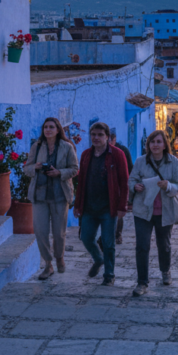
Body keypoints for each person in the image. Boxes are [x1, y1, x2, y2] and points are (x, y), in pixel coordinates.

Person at [128, 130, 178, 296]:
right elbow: (132, 180)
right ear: (148, 144)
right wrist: (135, 187)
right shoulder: (140, 161)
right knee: (142, 246)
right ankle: (142, 282)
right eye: (152, 142)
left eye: (159, 142)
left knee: (164, 245)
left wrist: (168, 186)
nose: (155, 145)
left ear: (165, 144)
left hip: (164, 211)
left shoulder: (173, 162)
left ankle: (165, 270)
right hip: (143, 210)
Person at [23, 117, 79, 279]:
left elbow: (74, 169)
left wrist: (59, 173)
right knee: (40, 231)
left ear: (57, 129)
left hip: (60, 195)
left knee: (58, 232)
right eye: (45, 127)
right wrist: (36, 167)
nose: (48, 130)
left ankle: (59, 257)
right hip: (39, 195)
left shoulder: (67, 147)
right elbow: (27, 169)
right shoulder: (37, 146)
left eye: (51, 127)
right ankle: (48, 264)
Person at [73, 122, 129, 285]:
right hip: (89, 206)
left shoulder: (117, 154)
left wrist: (122, 206)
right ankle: (98, 259)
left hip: (108, 207)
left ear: (107, 137)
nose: (96, 138)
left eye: (100, 135)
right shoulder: (85, 155)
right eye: (93, 135)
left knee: (108, 242)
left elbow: (124, 182)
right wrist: (78, 205)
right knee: (86, 237)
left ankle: (109, 275)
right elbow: (81, 180)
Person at [108, 133, 133, 245]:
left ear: (114, 140)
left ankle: (118, 234)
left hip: (118, 185)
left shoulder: (122, 151)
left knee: (118, 212)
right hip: (106, 187)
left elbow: (130, 167)